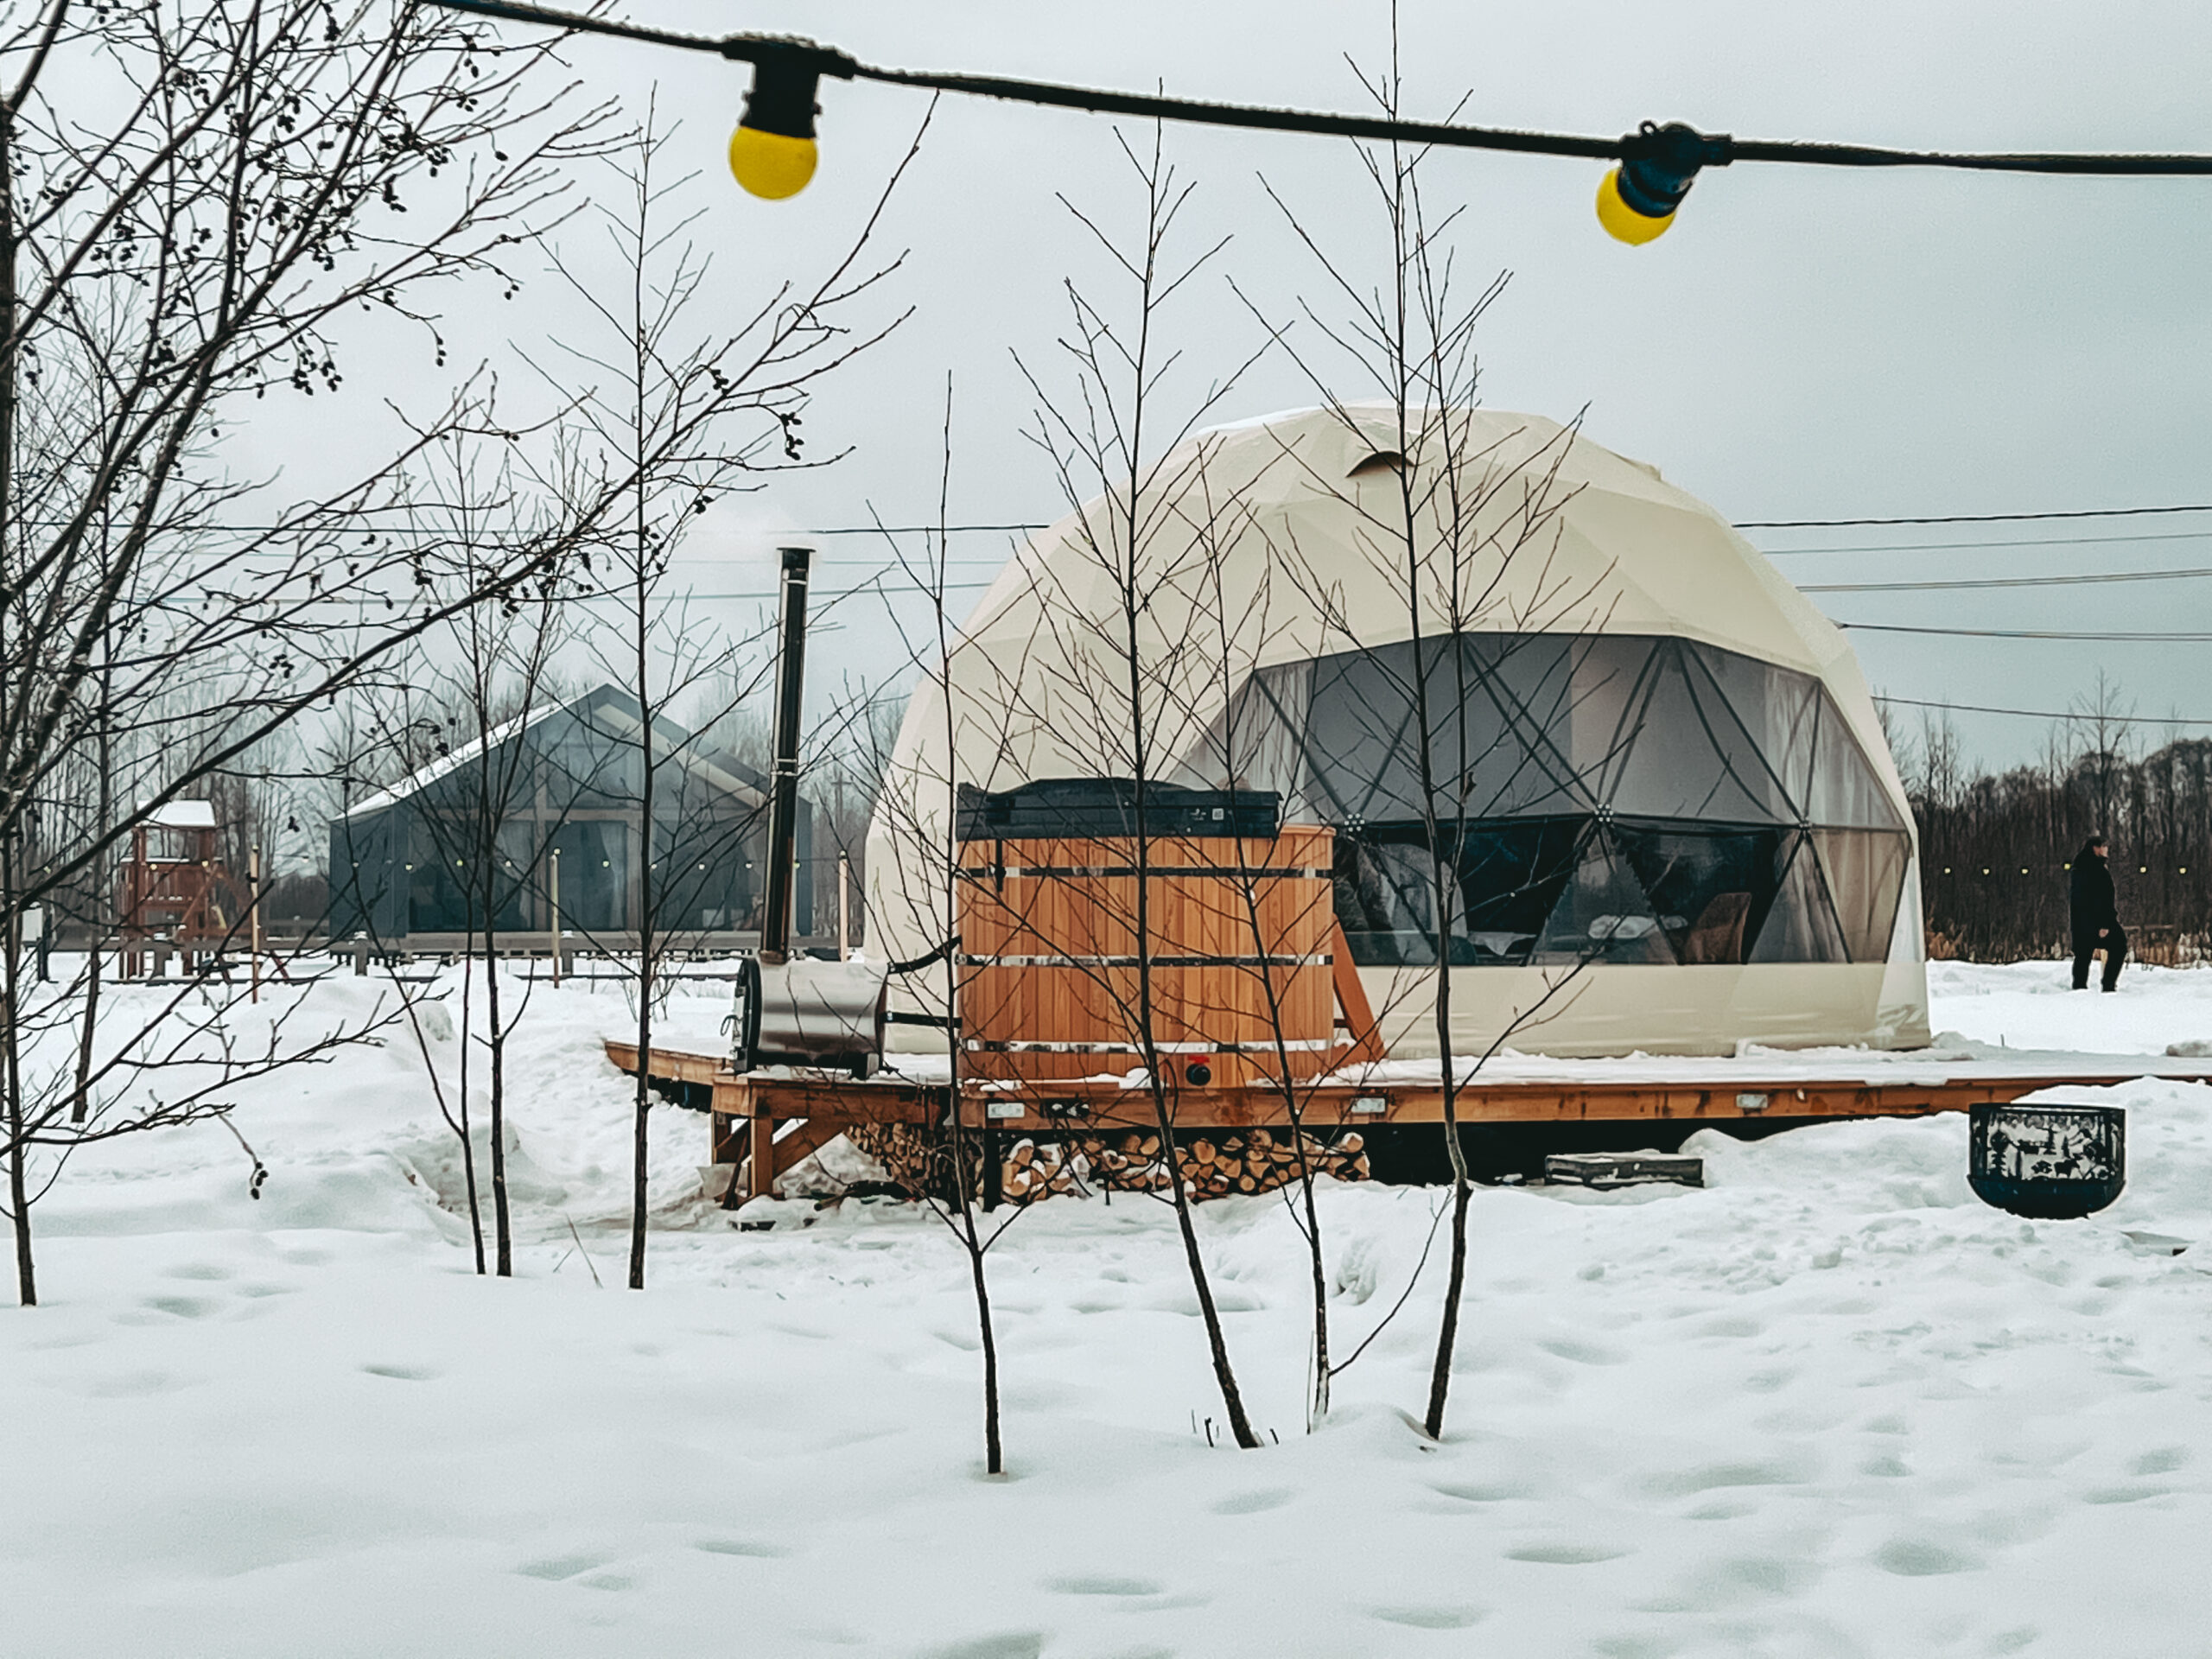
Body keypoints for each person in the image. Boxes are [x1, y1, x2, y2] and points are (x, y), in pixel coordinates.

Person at [2069, 835, 2126, 992]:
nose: (2106, 850)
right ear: (2096, 848)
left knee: (2083, 955)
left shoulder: (2080, 867)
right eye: (2104, 846)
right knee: (2119, 946)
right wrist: (2104, 923)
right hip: (2095, 921)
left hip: (2082, 921)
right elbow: (2100, 898)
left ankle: (2079, 988)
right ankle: (2108, 985)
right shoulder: (2094, 869)